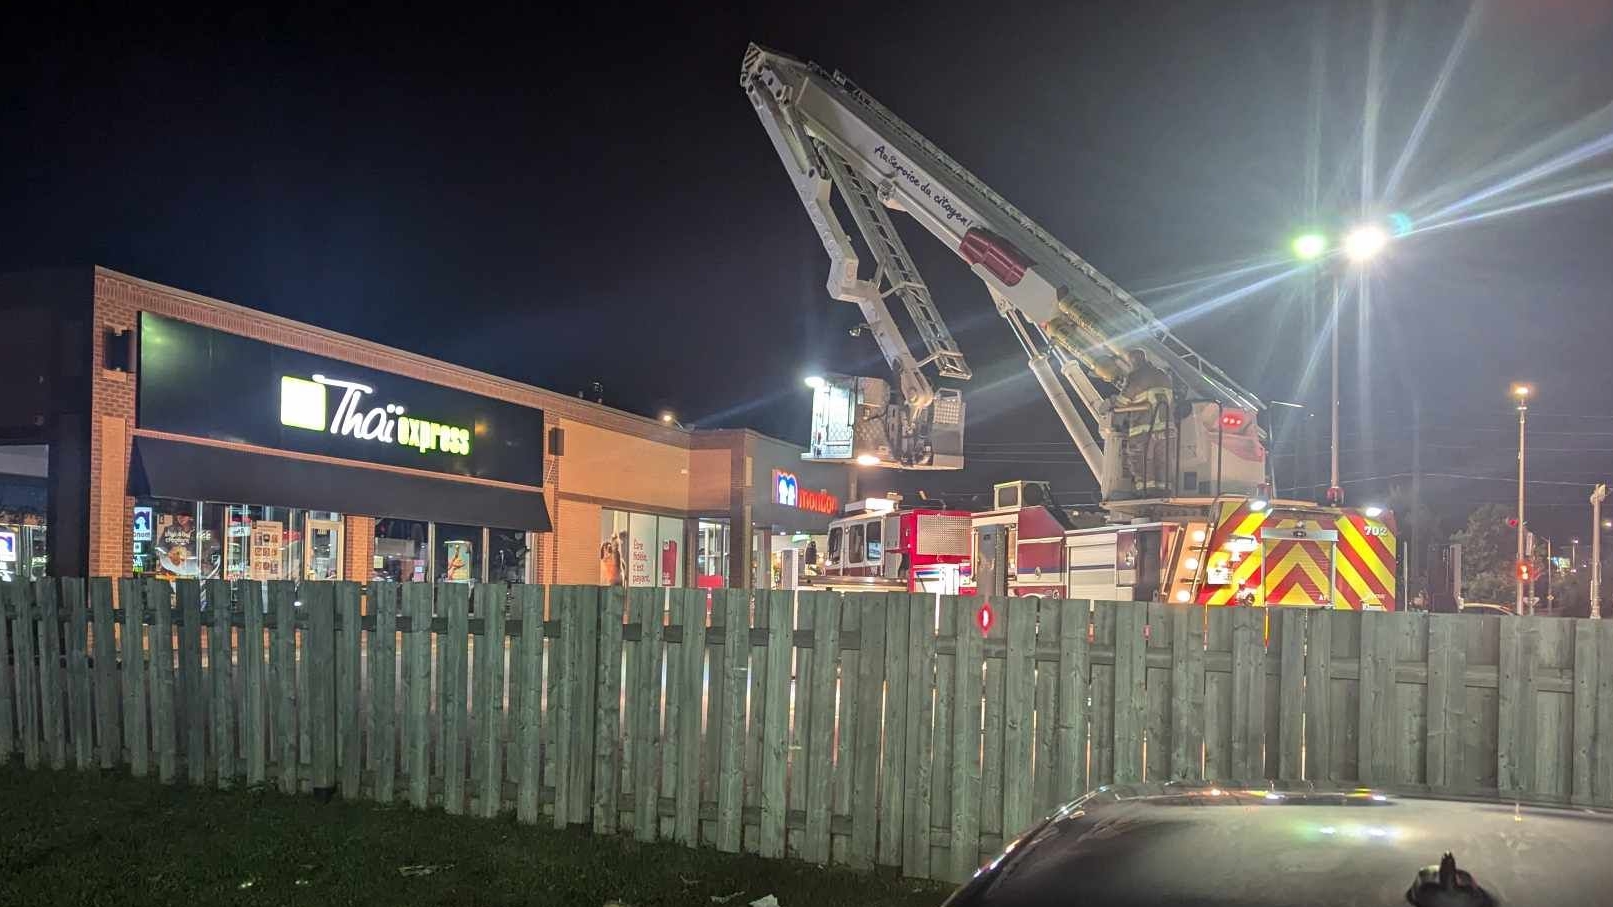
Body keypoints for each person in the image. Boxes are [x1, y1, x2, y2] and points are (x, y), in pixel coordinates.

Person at [1116, 349, 1172, 496]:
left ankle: (1145, 492)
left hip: (1144, 428)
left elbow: (1123, 401)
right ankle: (1163, 490)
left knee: (1140, 460)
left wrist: (1114, 405)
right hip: (1167, 428)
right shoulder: (1163, 375)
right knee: (1162, 461)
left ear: (1133, 361)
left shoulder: (1137, 375)